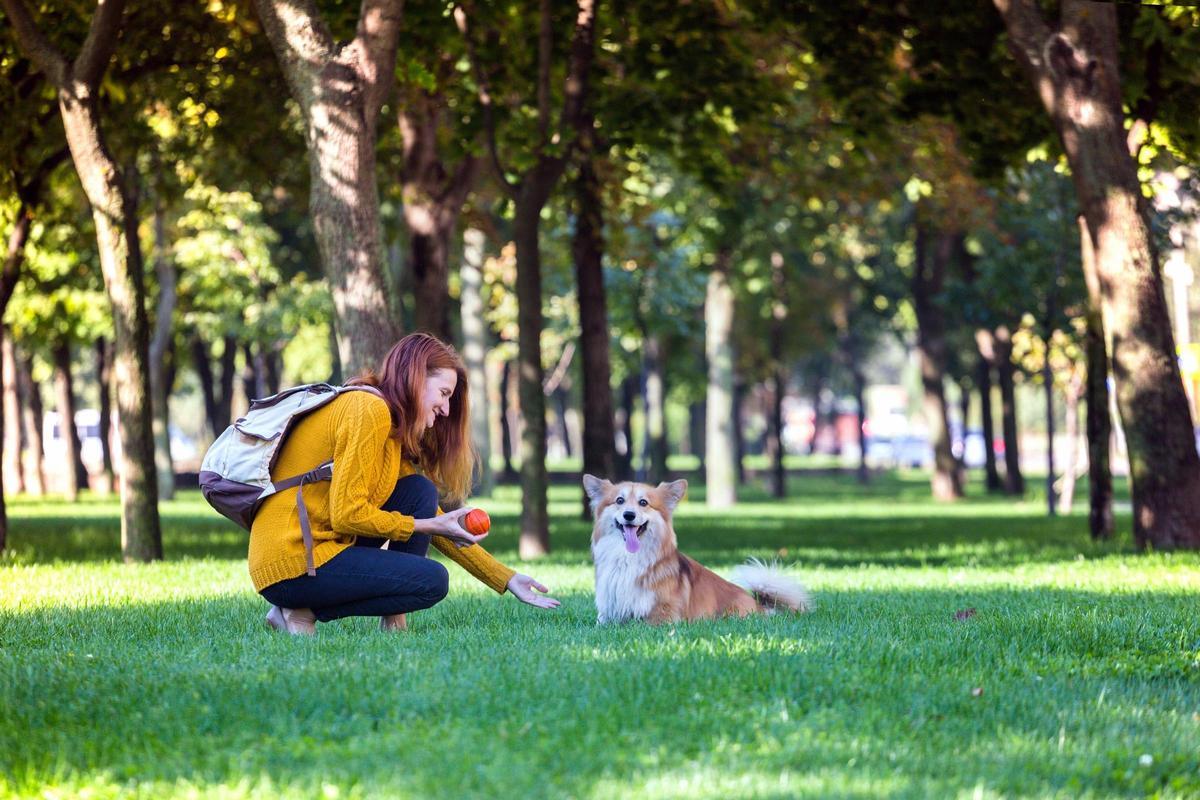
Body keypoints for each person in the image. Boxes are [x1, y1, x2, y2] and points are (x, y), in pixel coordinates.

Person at [251, 332, 559, 635]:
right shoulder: (368, 410)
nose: (446, 409)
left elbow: (433, 518)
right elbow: (347, 514)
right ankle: (300, 611)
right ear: (416, 378)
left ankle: (390, 622)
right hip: (293, 562)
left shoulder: (387, 424)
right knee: (432, 581)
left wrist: (505, 577)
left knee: (418, 491)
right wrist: (423, 526)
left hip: (315, 553)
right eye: (444, 393)